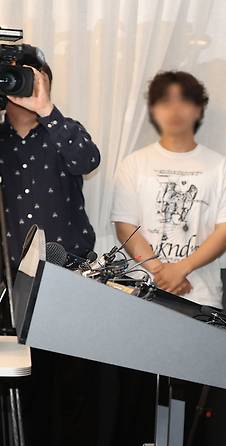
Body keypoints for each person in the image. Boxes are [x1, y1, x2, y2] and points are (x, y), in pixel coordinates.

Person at [0, 62, 101, 445]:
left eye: (29, 79)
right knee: (18, 389)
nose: (19, 87)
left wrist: (47, 110)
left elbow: (87, 161)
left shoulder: (65, 131)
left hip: (66, 277)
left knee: (71, 387)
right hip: (8, 283)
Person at [111, 71, 226, 308]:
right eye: (165, 101)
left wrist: (181, 269)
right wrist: (159, 271)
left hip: (200, 295)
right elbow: (125, 228)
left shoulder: (222, 166)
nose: (175, 110)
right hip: (141, 290)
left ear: (198, 109)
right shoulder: (133, 164)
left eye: (184, 101)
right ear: (153, 110)